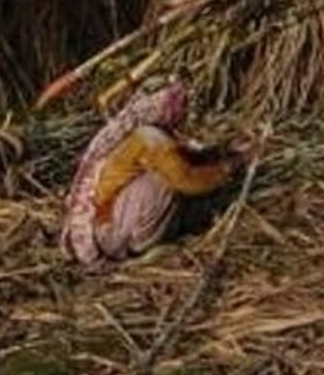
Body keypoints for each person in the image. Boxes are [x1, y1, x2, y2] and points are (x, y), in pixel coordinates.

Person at [60, 78, 250, 265]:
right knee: (165, 180)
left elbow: (183, 154)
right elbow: (188, 180)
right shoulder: (153, 139)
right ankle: (140, 245)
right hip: (109, 233)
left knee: (172, 172)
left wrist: (220, 153)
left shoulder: (136, 134)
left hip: (101, 228)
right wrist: (230, 167)